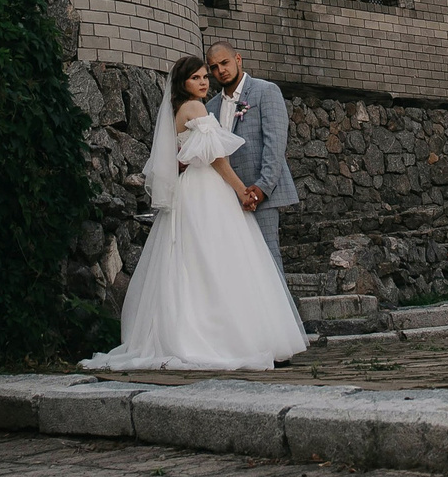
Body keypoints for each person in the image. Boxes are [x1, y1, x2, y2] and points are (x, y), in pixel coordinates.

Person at [80, 54, 308, 372]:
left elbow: (179, 157)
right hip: (206, 190)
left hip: (191, 188)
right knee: (220, 261)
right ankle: (231, 339)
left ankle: (206, 331)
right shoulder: (196, 107)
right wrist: (242, 190)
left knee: (194, 261)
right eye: (196, 78)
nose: (204, 82)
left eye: (205, 77)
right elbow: (217, 159)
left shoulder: (177, 109)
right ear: (183, 83)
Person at [208, 40, 296, 276]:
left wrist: (261, 188)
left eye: (224, 63)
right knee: (236, 264)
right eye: (214, 67)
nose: (220, 71)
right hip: (226, 196)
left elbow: (275, 144)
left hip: (261, 195)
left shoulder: (265, 91)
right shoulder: (210, 107)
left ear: (238, 59)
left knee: (268, 259)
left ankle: (280, 313)